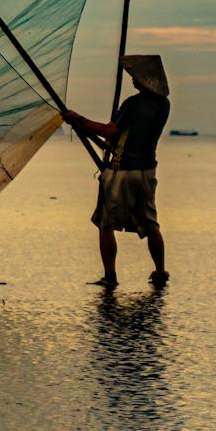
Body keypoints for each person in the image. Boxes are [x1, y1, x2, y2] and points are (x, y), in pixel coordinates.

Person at [63, 54, 171, 289]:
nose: (132, 79)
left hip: (121, 172)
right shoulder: (164, 105)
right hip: (147, 172)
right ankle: (160, 272)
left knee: (105, 224)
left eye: (135, 76)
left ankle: (110, 276)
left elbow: (110, 131)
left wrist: (78, 120)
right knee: (151, 224)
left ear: (145, 79)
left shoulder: (133, 104)